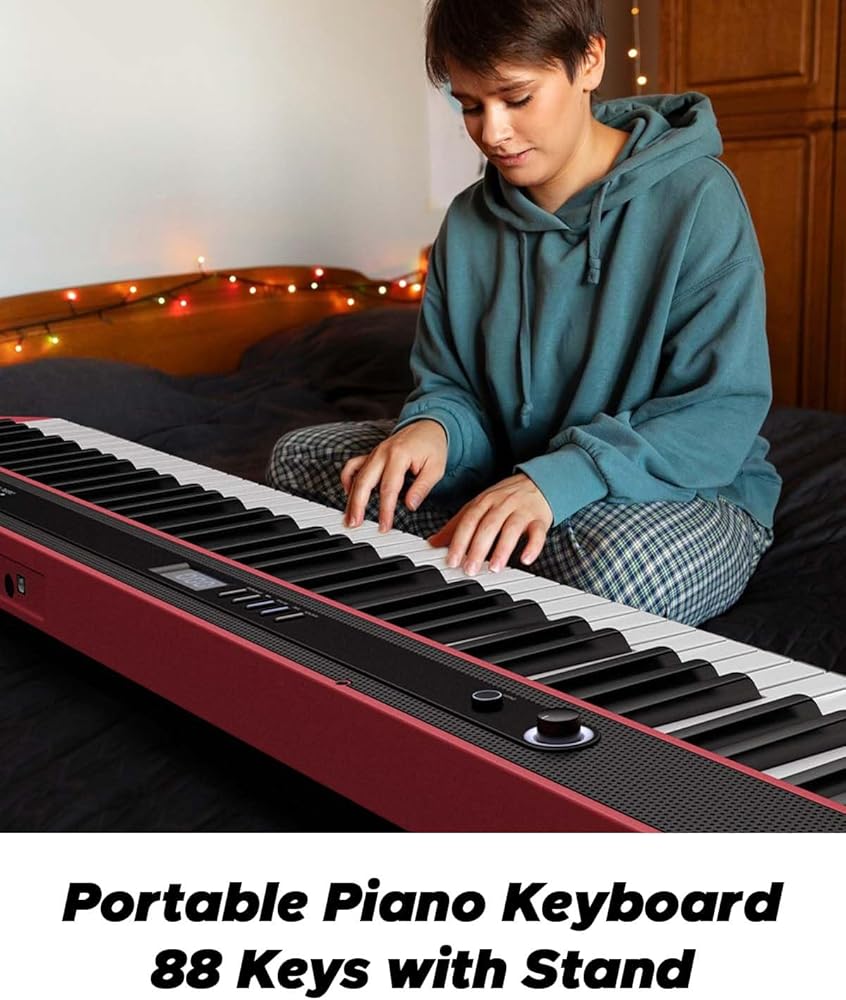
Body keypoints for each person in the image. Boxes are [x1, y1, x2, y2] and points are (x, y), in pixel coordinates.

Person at [267, 0, 781, 626]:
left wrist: (560, 480)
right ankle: (496, 559)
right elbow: (451, 385)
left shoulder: (700, 198)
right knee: (303, 459)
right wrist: (433, 429)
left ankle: (491, 559)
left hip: (683, 489)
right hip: (509, 469)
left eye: (516, 98)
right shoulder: (467, 221)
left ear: (589, 61)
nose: (492, 133)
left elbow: (716, 412)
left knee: (612, 570)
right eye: (469, 105)